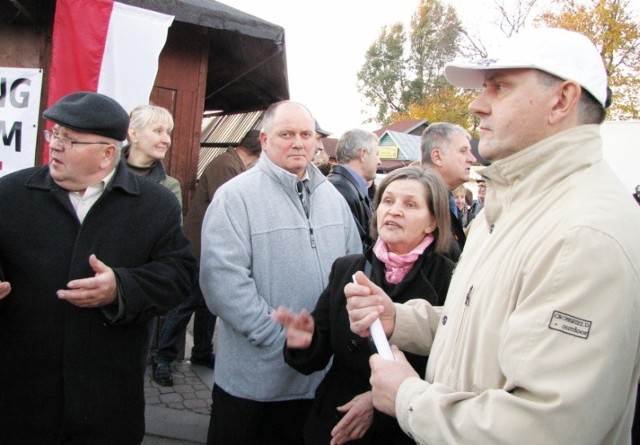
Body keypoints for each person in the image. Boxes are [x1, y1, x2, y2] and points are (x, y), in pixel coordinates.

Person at [345, 28, 640, 444]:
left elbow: (546, 427)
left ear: (562, 100)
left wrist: (410, 399)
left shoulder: (585, 233)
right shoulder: (506, 207)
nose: (476, 104)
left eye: (500, 88)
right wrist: (400, 318)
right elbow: (479, 323)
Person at [0, 91, 196, 443]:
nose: (55, 146)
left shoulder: (156, 205)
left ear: (108, 153)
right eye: (54, 134)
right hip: (20, 400)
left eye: (69, 139)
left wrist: (120, 288)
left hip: (107, 403)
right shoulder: (10, 194)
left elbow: (179, 276)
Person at [200, 100, 362, 444]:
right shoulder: (235, 198)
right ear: (264, 139)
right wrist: (283, 341)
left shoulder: (333, 200)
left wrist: (322, 347)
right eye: (286, 133)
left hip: (319, 381)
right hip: (255, 384)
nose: (298, 142)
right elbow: (223, 284)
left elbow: (352, 274)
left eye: (306, 134)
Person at [274, 166, 455, 445]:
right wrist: (302, 336)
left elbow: (451, 368)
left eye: (410, 204)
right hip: (336, 424)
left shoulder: (451, 279)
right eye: (388, 200)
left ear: (432, 221)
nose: (394, 210)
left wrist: (379, 398)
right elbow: (314, 357)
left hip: (403, 429)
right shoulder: (348, 268)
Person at [151, 129, 262, 386]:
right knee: (185, 306)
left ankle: (201, 352)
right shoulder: (226, 165)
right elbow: (233, 209)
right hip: (200, 250)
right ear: (258, 151)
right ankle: (163, 358)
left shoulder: (231, 163)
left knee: (208, 306)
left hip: (212, 250)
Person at [420, 122, 476, 260]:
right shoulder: (418, 203)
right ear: (437, 157)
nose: (472, 159)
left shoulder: (440, 199)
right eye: (463, 151)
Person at [328, 128, 381, 250]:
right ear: (363, 154)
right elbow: (356, 246)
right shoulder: (341, 189)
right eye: (377, 154)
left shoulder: (348, 186)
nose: (379, 161)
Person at [123, 104, 182, 205]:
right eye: (158, 131)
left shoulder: (169, 186)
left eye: (168, 133)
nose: (167, 140)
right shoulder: (104, 175)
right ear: (134, 134)